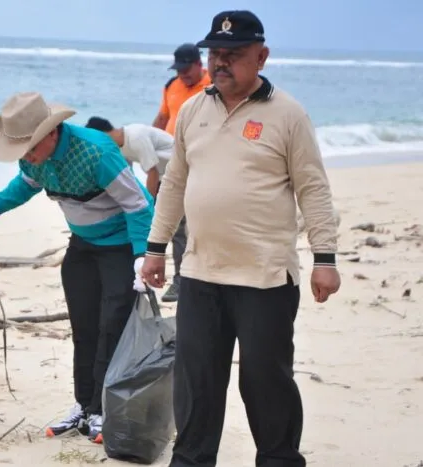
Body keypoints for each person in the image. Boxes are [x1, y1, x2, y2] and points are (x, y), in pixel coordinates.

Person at [139, 11, 341, 467]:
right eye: (216, 53)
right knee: (196, 384)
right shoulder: (192, 110)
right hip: (200, 273)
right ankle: (191, 462)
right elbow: (174, 183)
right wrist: (155, 248)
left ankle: (278, 460)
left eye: (234, 54)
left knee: (266, 383)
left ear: (262, 56)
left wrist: (324, 257)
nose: (221, 62)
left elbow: (313, 187)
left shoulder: (288, 114)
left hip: (265, 277)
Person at [0, 92, 153, 444]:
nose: (27, 158)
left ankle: (102, 409)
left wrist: (143, 255)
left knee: (112, 327)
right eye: (22, 151)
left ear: (51, 133)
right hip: (83, 246)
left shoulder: (97, 152)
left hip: (121, 247)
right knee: (84, 328)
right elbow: (25, 185)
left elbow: (138, 205)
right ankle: (84, 404)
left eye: (30, 148)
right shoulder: (32, 159)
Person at [151, 43, 213, 303]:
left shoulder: (215, 85)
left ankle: (198, 279)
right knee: (175, 224)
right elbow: (162, 119)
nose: (183, 75)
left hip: (203, 162)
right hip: (171, 162)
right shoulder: (171, 86)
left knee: (198, 224)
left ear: (200, 64)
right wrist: (150, 146)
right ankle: (180, 281)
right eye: (179, 70)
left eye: (187, 69)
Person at [84, 117, 174, 198]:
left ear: (102, 135)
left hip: (175, 168)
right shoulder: (119, 143)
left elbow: (153, 172)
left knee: (153, 208)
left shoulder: (135, 137)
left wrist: (149, 203)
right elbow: (128, 173)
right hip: (163, 175)